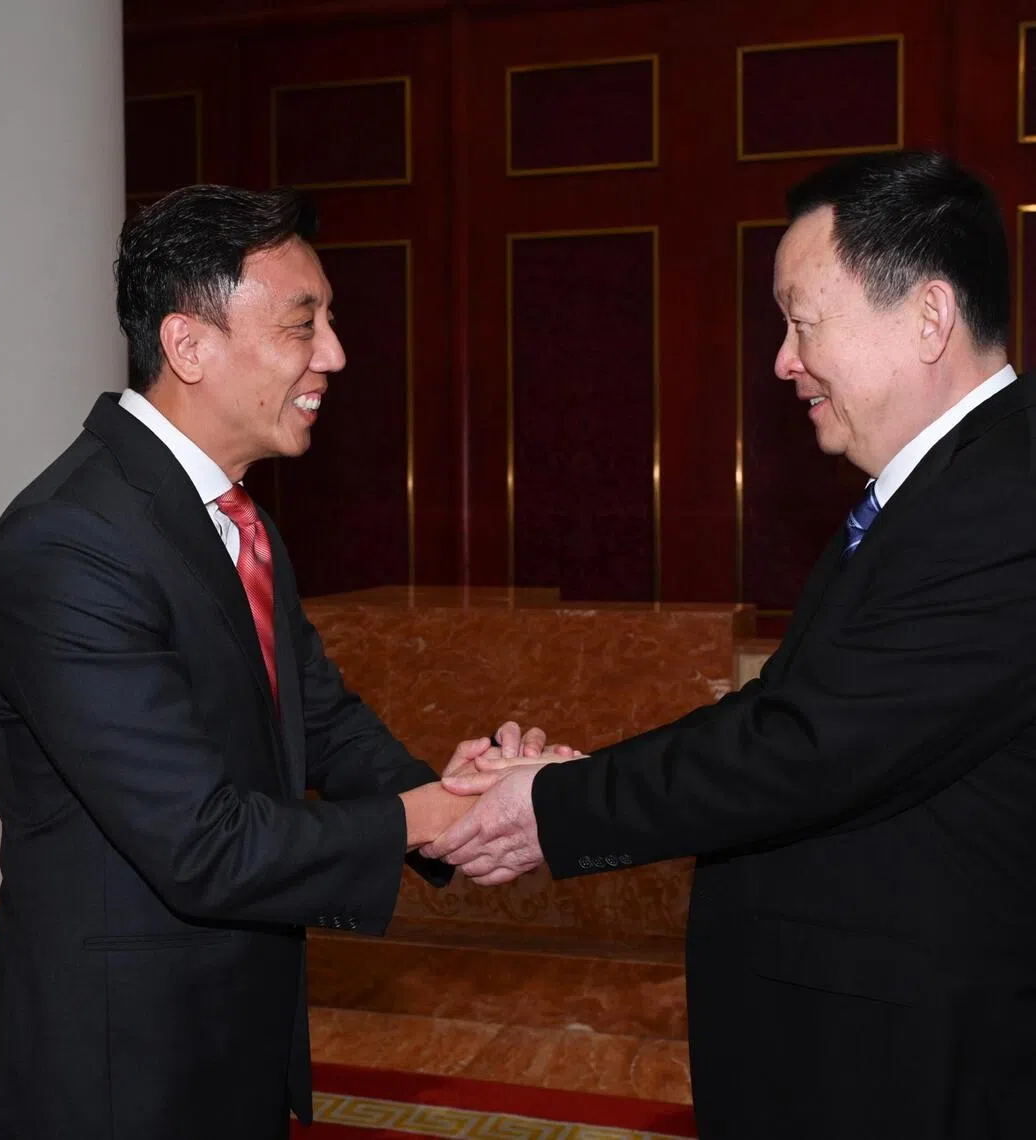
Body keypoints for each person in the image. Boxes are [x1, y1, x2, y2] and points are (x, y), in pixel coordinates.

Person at [426, 151, 1036, 1139]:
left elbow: (812, 746)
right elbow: (800, 720)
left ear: (928, 319)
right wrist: (580, 775)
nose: (783, 360)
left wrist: (554, 807)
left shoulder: (1002, 497)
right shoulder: (943, 489)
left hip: (912, 1066)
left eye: (803, 322)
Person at [0, 184, 553, 1140]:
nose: (335, 355)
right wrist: (432, 815)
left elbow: (319, 721)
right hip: (115, 1071)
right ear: (189, 345)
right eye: (302, 324)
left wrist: (453, 797)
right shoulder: (69, 542)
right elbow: (201, 844)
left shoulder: (239, 517)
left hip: (233, 1039)